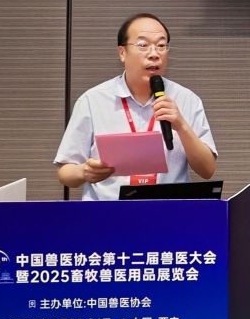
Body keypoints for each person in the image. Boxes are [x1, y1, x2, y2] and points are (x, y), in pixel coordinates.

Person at [55, 13, 217, 199]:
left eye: (161, 45)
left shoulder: (187, 100)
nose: (154, 54)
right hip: (109, 212)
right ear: (122, 53)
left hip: (167, 212)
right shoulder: (92, 101)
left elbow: (207, 170)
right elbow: (65, 173)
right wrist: (84, 172)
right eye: (143, 45)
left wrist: (181, 126)